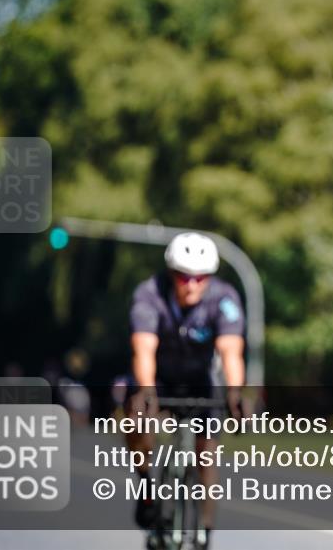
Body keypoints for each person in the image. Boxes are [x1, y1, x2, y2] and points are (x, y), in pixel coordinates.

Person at [126, 232, 246, 548]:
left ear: (210, 277)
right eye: (183, 277)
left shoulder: (224, 298)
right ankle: (146, 487)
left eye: (200, 278)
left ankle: (204, 529)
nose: (191, 285)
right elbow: (143, 350)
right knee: (138, 420)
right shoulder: (149, 294)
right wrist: (147, 391)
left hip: (201, 382)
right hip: (159, 377)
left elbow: (231, 352)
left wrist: (235, 393)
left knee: (207, 456)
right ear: (171, 274)